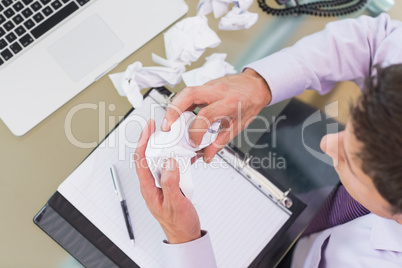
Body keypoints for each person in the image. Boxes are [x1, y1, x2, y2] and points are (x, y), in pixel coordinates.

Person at [135, 13, 402, 267]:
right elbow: (377, 40)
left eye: (351, 162)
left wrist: (185, 241)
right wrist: (260, 83)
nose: (325, 144)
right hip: (315, 205)